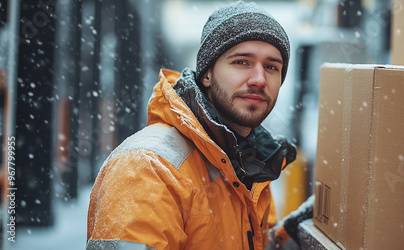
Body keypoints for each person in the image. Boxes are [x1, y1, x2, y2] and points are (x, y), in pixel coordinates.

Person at [87, 1, 309, 249]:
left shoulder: (250, 164)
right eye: (242, 62)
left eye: (271, 67)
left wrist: (291, 237)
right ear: (207, 74)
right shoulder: (147, 168)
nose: (259, 79)